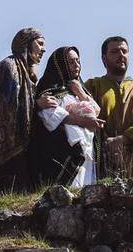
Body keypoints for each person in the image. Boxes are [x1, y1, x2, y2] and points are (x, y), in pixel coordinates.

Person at [0, 27, 57, 192]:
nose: (44, 49)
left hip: (21, 142)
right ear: (27, 44)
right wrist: (37, 104)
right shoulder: (9, 67)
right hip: (3, 143)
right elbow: (5, 105)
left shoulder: (29, 74)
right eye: (40, 43)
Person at [83, 36, 133, 178]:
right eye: (114, 51)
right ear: (104, 59)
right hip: (100, 160)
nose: (121, 55)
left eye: (124, 51)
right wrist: (106, 143)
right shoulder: (91, 86)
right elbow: (83, 117)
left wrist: (123, 139)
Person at [30, 46, 104, 187]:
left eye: (78, 61)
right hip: (65, 149)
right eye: (71, 62)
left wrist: (80, 92)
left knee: (87, 186)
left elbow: (96, 111)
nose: (76, 65)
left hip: (88, 148)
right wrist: (84, 122)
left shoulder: (79, 88)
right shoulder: (49, 89)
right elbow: (52, 116)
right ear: (61, 64)